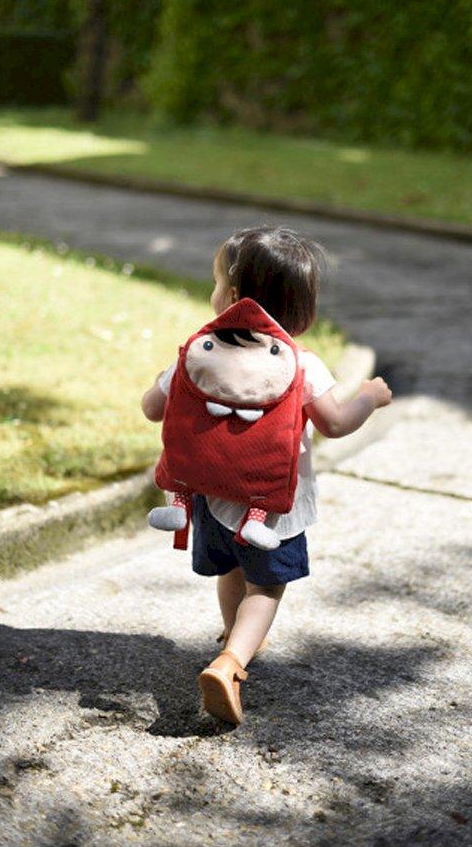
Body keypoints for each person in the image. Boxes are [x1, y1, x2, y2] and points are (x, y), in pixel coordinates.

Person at [140, 226, 393, 724]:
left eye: (215, 283)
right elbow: (335, 424)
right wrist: (370, 397)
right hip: (269, 506)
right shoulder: (302, 363)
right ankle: (232, 662)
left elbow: (152, 410)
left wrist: (158, 382)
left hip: (207, 495)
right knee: (267, 588)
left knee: (233, 572)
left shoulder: (199, 355)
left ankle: (233, 634)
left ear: (232, 297)